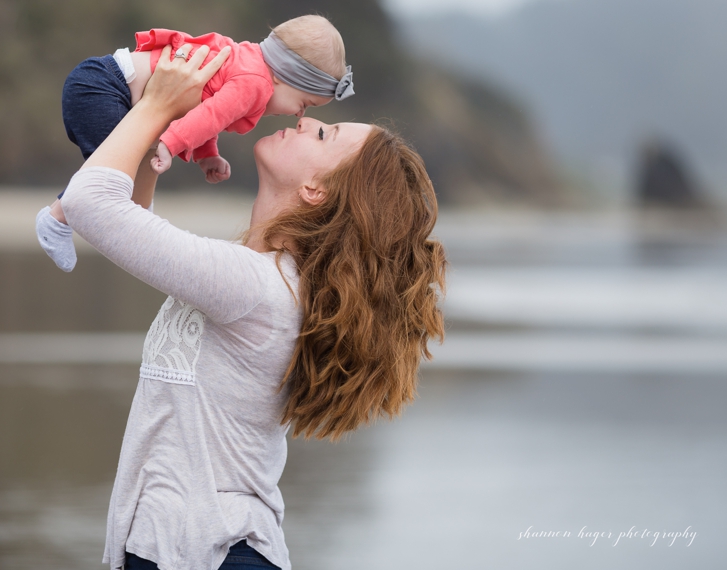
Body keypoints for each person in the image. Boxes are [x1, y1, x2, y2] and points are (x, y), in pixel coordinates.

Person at [55, 42, 444, 570]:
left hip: (210, 551)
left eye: (326, 134)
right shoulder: (263, 278)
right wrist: (153, 106)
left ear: (315, 190)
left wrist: (157, 108)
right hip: (191, 549)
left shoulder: (255, 287)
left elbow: (86, 204)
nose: (308, 122)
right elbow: (125, 211)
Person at [36, 15, 357, 272]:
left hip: (101, 83)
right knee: (107, 180)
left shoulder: (248, 64)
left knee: (122, 183)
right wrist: (170, 144)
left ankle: (121, 220)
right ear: (286, 76)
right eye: (305, 103)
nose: (299, 114)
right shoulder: (256, 83)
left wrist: (208, 154)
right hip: (105, 90)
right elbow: (210, 116)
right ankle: (57, 220)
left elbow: (205, 109)